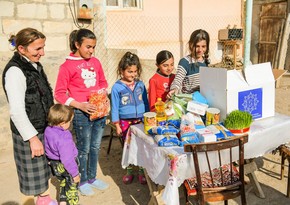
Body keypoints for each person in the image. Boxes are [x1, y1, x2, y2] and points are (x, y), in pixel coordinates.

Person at [2, 28, 56, 204]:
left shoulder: (34, 65)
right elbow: (17, 111)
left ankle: (44, 200)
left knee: (42, 177)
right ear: (22, 49)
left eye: (43, 47)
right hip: (29, 133)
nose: (43, 53)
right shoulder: (15, 72)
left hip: (41, 128)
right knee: (32, 181)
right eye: (37, 49)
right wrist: (33, 139)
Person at [54, 28, 109, 196]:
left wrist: (104, 94)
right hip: (81, 115)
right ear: (77, 44)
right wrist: (80, 105)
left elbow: (102, 82)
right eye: (88, 47)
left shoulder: (96, 62)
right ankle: (82, 180)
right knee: (83, 149)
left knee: (95, 146)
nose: (91, 51)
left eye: (93, 47)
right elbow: (59, 94)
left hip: (99, 113)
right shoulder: (67, 66)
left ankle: (92, 178)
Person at [111, 51, 149, 184]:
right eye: (129, 71)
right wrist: (116, 124)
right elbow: (115, 106)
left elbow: (145, 101)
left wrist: (148, 117)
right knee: (128, 147)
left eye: (135, 71)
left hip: (140, 120)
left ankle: (141, 171)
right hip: (125, 122)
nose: (132, 75)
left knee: (141, 146)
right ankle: (129, 170)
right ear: (122, 71)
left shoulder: (140, 85)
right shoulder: (117, 87)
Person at [44, 104, 80, 205]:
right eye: (70, 122)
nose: (70, 124)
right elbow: (67, 160)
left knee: (63, 183)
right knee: (72, 188)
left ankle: (62, 202)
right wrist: (75, 174)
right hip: (66, 166)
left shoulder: (48, 130)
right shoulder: (64, 137)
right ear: (63, 123)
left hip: (55, 165)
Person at [167, 29, 210, 98]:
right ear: (191, 45)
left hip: (205, 98)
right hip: (190, 100)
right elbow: (177, 80)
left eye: (203, 46)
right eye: (197, 46)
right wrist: (174, 89)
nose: (200, 50)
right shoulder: (185, 62)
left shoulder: (206, 62)